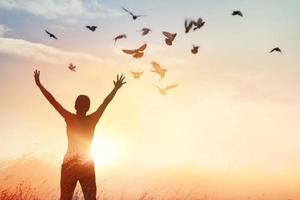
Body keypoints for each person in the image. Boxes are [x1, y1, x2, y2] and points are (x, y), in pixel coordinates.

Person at [33, 70, 126, 200]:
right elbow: (105, 103)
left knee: (65, 198)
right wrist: (115, 89)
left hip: (70, 163)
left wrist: (39, 84)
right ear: (88, 107)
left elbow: (52, 101)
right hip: (86, 164)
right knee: (90, 198)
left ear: (75, 105)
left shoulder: (70, 118)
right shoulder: (92, 119)